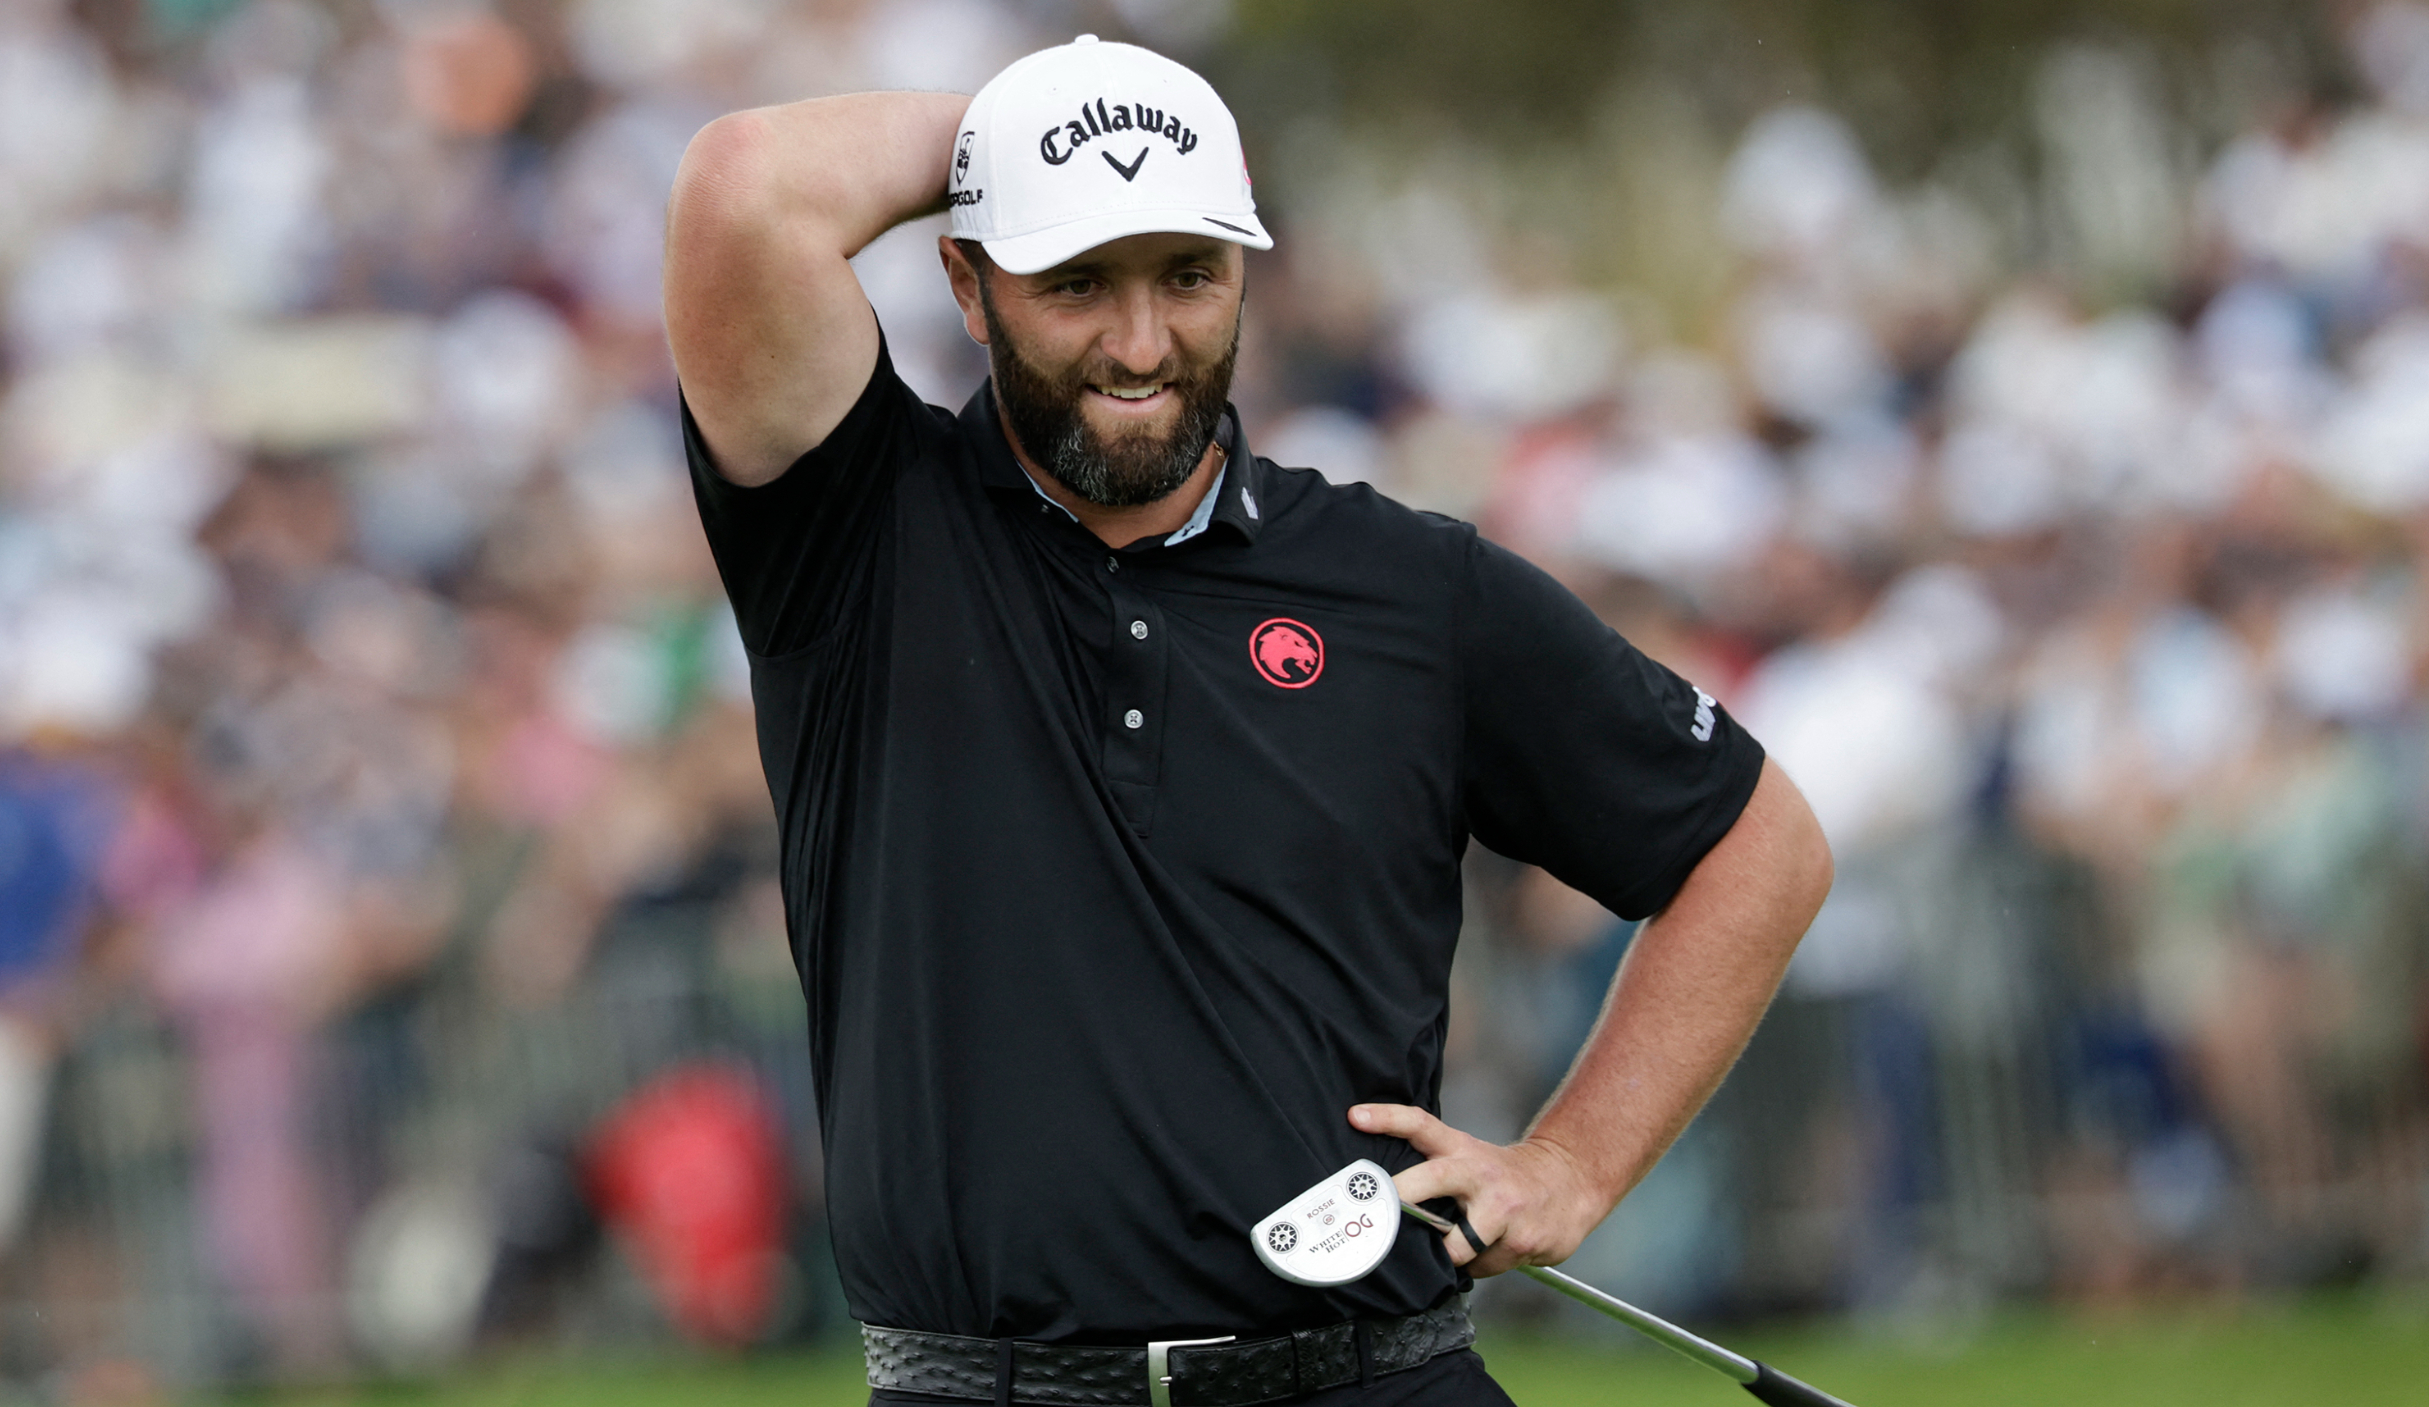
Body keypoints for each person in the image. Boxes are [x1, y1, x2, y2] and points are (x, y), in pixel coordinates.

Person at [663, 35, 1831, 1406]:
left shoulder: (1413, 589)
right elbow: (745, 187)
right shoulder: (856, 529)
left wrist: (1573, 1160)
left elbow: (1758, 845)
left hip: (1375, 1379)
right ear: (968, 284)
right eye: (1075, 280)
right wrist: (1066, 126)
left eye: (1189, 275)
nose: (1140, 342)